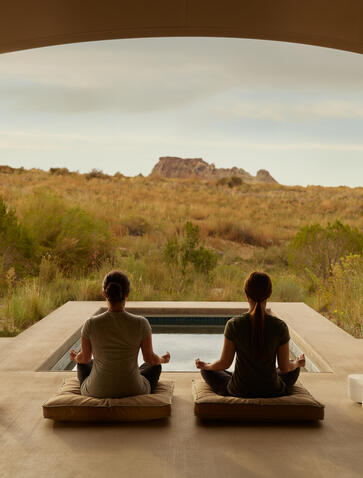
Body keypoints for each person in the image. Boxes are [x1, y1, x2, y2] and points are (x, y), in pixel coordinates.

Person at [195, 271, 305, 398]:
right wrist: (297, 363)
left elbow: (224, 364)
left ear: (246, 294)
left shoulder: (234, 324)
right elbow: (285, 367)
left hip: (239, 390)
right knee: (293, 365)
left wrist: (206, 366)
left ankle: (234, 376)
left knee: (207, 370)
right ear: (269, 294)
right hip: (272, 390)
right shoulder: (280, 326)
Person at [69, 270, 170, 398]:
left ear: (104, 293)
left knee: (84, 363)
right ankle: (131, 374)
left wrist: (75, 357)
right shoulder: (141, 323)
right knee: (155, 366)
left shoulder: (90, 324)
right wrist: (162, 360)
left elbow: (85, 359)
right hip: (134, 389)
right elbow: (150, 359)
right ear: (127, 294)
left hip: (97, 390)